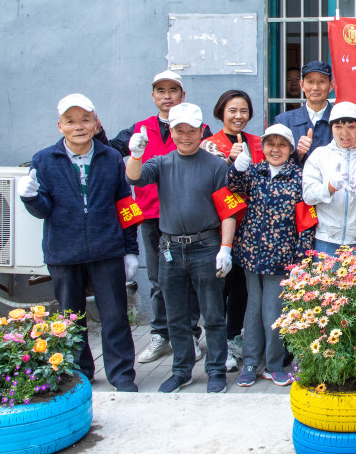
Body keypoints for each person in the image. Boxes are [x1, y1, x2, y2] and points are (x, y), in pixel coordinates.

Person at [20, 93, 139, 392]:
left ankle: (122, 375)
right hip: (63, 252)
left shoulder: (111, 157)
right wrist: (30, 198)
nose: (79, 126)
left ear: (96, 123)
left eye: (85, 120)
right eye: (71, 121)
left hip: (107, 249)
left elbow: (126, 204)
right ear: (60, 126)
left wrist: (130, 250)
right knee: (71, 318)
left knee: (115, 315)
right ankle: (80, 372)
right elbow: (43, 210)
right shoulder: (44, 159)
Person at [126, 103, 239, 394]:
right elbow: (134, 177)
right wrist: (135, 155)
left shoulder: (216, 165)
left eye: (191, 130)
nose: (185, 135)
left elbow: (228, 211)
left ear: (202, 131)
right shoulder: (162, 163)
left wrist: (225, 248)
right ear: (172, 131)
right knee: (175, 316)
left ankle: (216, 370)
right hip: (171, 248)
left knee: (213, 315)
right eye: (179, 130)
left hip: (206, 246)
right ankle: (181, 371)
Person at [108, 70, 207, 366]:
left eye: (173, 90)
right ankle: (160, 334)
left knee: (188, 278)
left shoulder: (199, 128)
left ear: (182, 95)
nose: (167, 96)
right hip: (151, 215)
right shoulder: (139, 129)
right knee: (158, 278)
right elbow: (107, 149)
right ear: (153, 96)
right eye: (161, 91)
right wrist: (97, 131)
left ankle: (189, 333)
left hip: (188, 215)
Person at [227, 124, 314, 387]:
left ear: (290, 149)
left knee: (274, 312)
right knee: (252, 311)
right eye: (270, 144)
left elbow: (307, 222)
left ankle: (274, 364)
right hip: (252, 255)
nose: (275, 149)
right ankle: (250, 362)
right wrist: (237, 167)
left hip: (282, 258)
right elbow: (233, 186)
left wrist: (302, 259)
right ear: (263, 147)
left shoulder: (299, 177)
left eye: (282, 144)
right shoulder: (254, 171)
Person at [200, 89, 265, 372]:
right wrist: (228, 162)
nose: (239, 116)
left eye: (244, 111)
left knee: (240, 286)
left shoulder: (258, 142)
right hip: (219, 225)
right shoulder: (209, 144)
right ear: (221, 112)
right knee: (219, 287)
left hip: (251, 226)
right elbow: (206, 181)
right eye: (232, 110)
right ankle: (218, 343)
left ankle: (233, 335)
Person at [302, 101, 356, 254]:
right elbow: (308, 196)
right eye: (338, 127)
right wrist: (330, 187)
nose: (345, 133)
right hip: (326, 239)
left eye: (351, 127)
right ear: (331, 128)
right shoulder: (320, 155)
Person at [273, 60, 334, 164]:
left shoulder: (340, 119)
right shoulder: (284, 121)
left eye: (321, 81)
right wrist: (298, 154)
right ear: (302, 85)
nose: (315, 87)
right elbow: (275, 161)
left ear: (331, 85)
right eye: (310, 82)